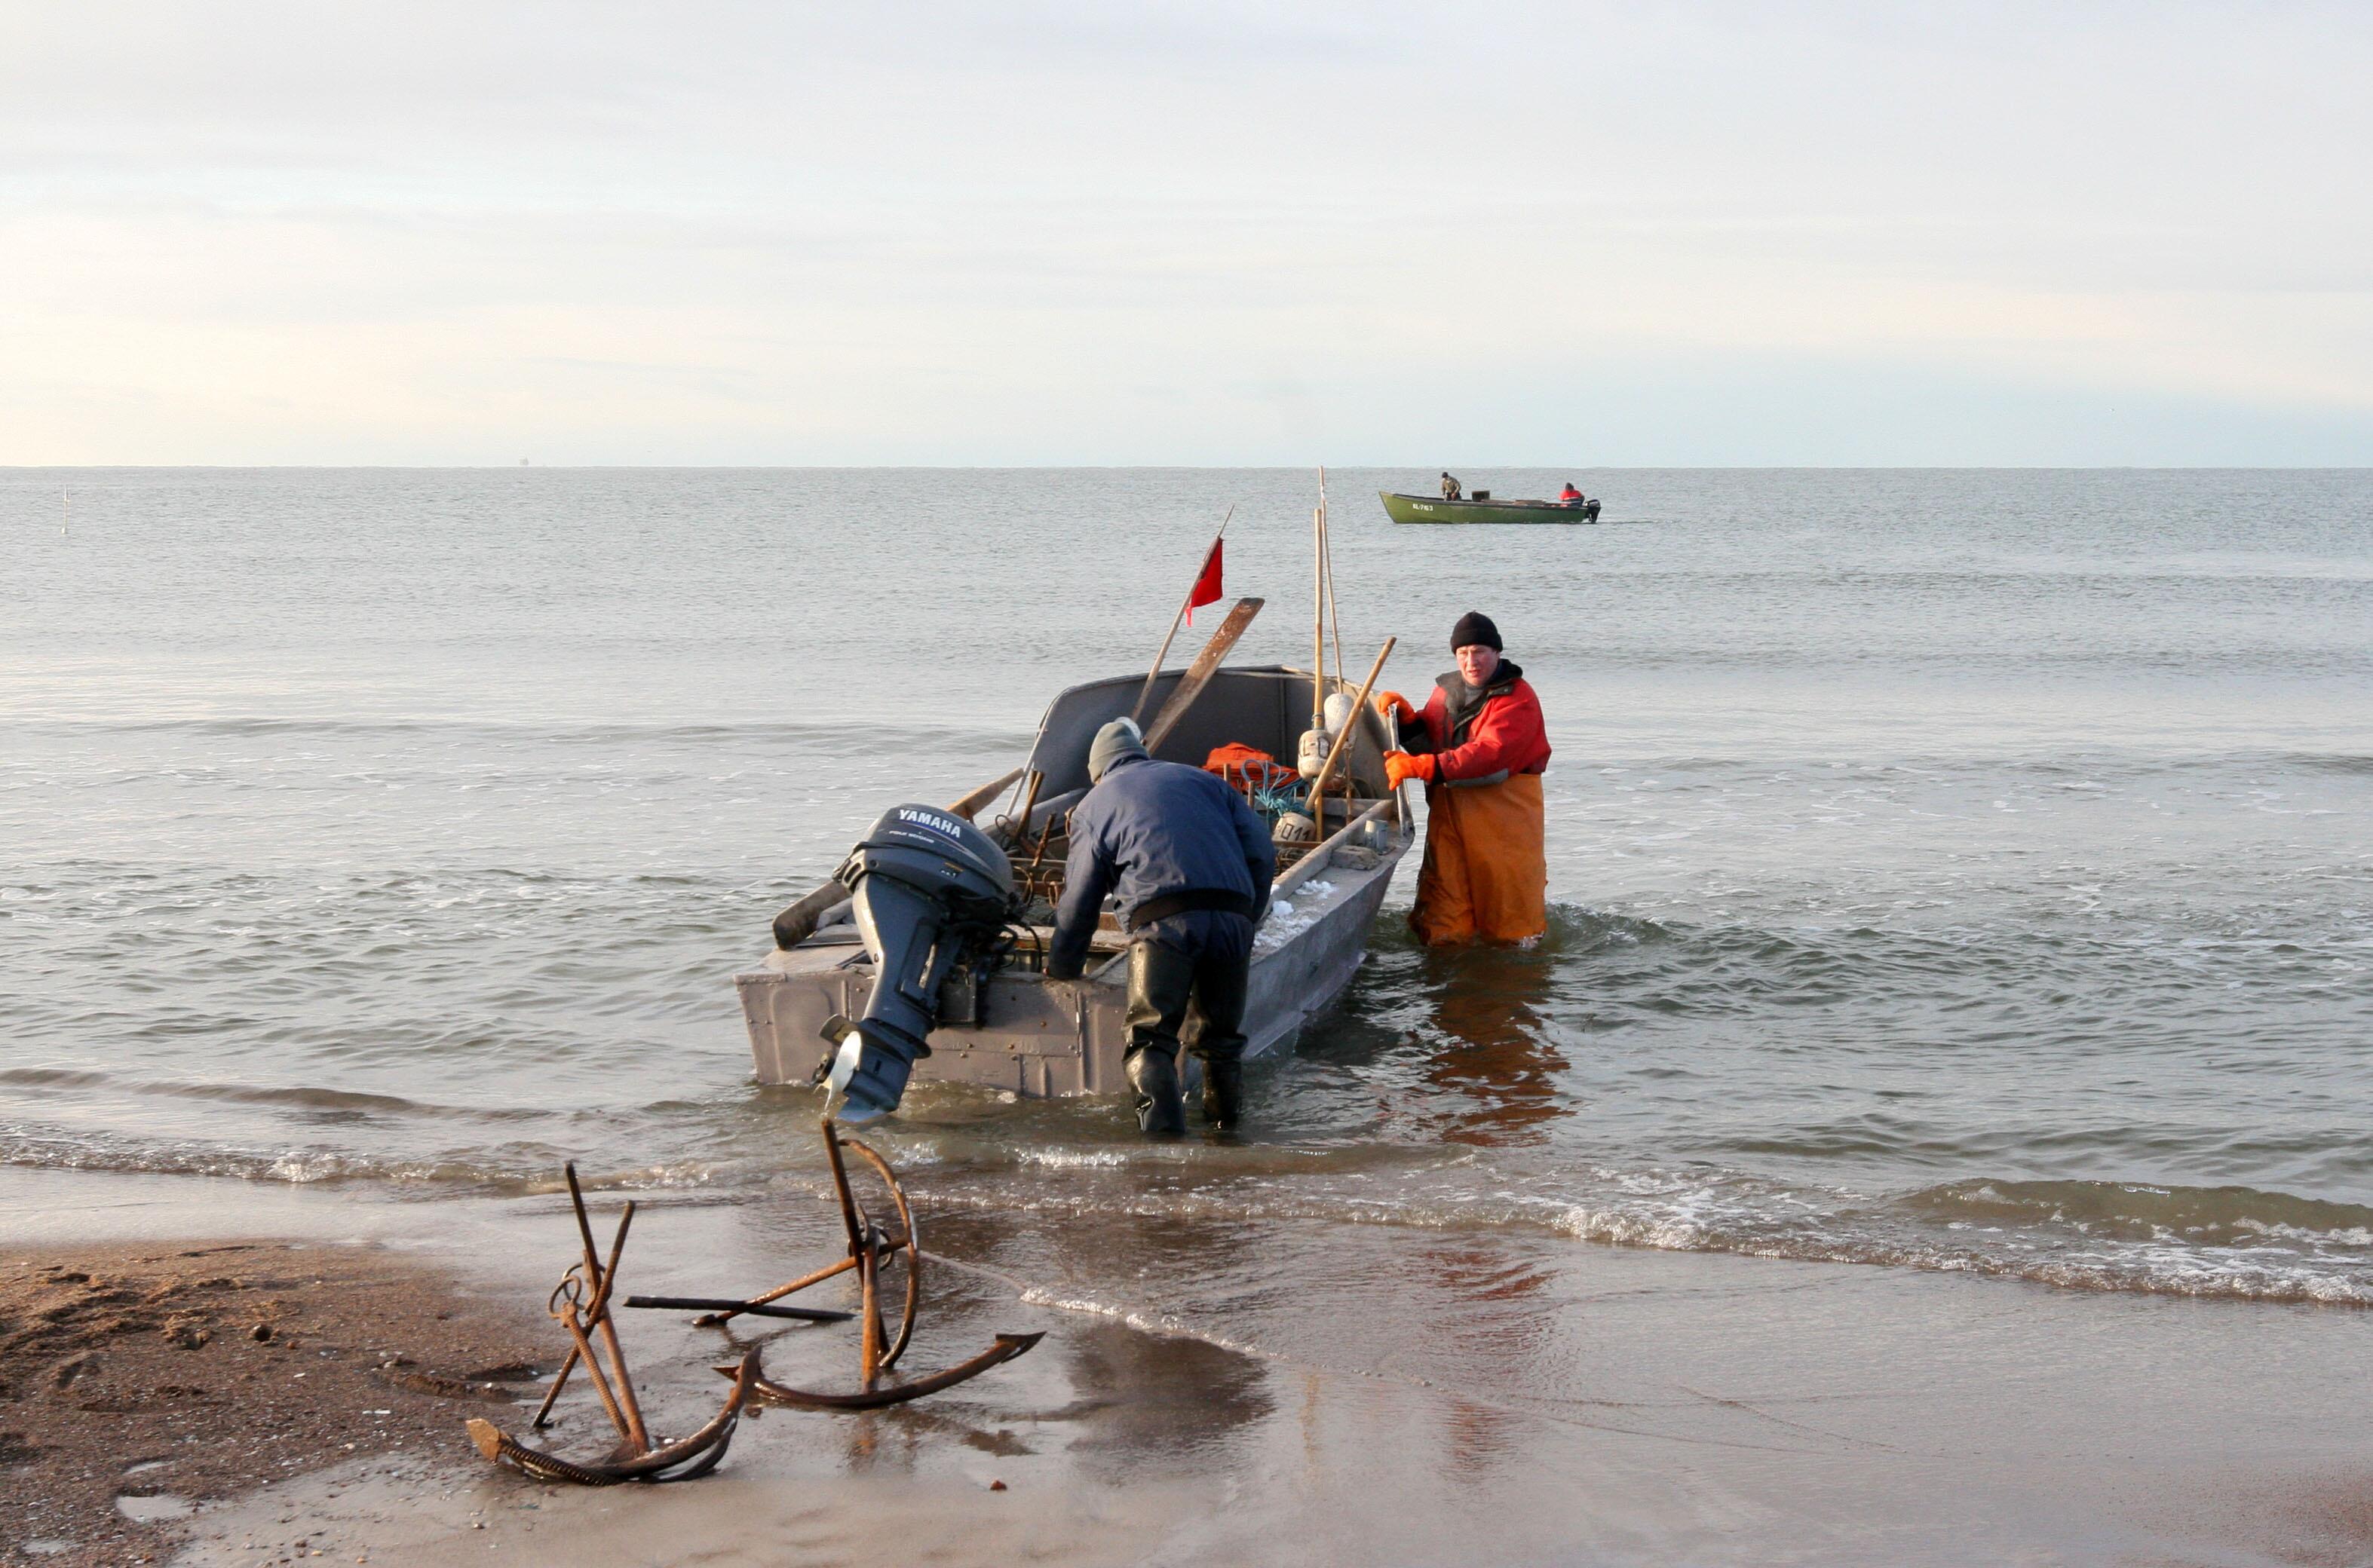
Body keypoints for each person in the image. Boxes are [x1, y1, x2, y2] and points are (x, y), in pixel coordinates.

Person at [1045, 718, 1277, 1134]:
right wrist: (1249, 917)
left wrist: (1063, 965)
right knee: (1221, 1042)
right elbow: (1261, 853)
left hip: (1163, 925)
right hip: (1232, 918)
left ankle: (1164, 1150)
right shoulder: (1207, 783)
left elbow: (1079, 901)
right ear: (1139, 753)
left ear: (1098, 770)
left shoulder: (1095, 805)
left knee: (1151, 1042)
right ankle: (1227, 1135)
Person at [1375, 612, 1551, 946]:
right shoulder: (1445, 692)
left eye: (1480, 651)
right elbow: (1434, 743)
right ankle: (1446, 981)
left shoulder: (1518, 699)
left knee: (1511, 924)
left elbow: (1490, 755)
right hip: (1449, 817)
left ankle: (1513, 982)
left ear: (1497, 653)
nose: (1472, 661)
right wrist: (1410, 724)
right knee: (1442, 920)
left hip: (1504, 823)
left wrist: (1424, 768)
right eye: (1464, 653)